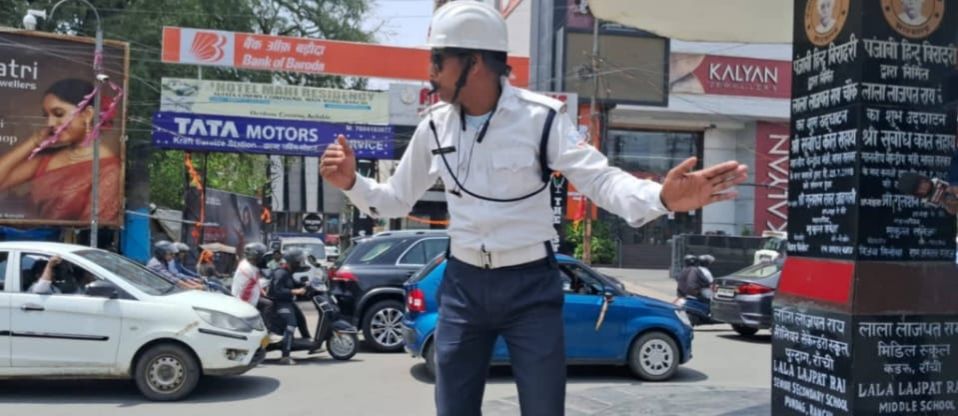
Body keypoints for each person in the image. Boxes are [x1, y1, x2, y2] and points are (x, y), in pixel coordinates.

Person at [319, 3, 748, 414]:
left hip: (530, 287)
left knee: (543, 406)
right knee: (453, 407)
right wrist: (352, 183)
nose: (430, 72)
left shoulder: (540, 119)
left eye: (438, 60)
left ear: (474, 63)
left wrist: (661, 198)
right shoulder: (434, 126)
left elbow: (598, 178)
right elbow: (395, 198)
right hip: (464, 285)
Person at [0, 78, 120, 222]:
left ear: (87, 114)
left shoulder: (108, 169)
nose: (50, 123)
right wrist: (34, 141)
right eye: (47, 116)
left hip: (64, 237)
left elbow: (95, 225)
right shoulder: (48, 158)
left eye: (58, 113)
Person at [268, 248, 308, 365]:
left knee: (300, 318)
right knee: (291, 324)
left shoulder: (288, 272)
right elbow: (277, 290)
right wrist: (294, 291)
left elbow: (292, 283)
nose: (300, 263)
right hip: (279, 304)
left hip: (287, 302)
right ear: (292, 262)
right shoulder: (280, 273)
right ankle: (285, 356)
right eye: (298, 261)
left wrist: (304, 285)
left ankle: (310, 344)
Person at [29, 255, 97, 295]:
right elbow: (42, 288)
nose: (53, 274)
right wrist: (49, 266)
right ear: (37, 275)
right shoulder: (35, 287)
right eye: (50, 272)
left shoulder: (55, 288)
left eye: (53, 271)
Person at [232, 242, 269, 308]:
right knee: (269, 304)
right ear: (256, 256)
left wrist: (262, 291)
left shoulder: (247, 264)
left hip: (243, 298)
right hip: (244, 303)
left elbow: (255, 283)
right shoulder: (248, 269)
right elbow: (245, 292)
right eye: (261, 255)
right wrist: (248, 308)